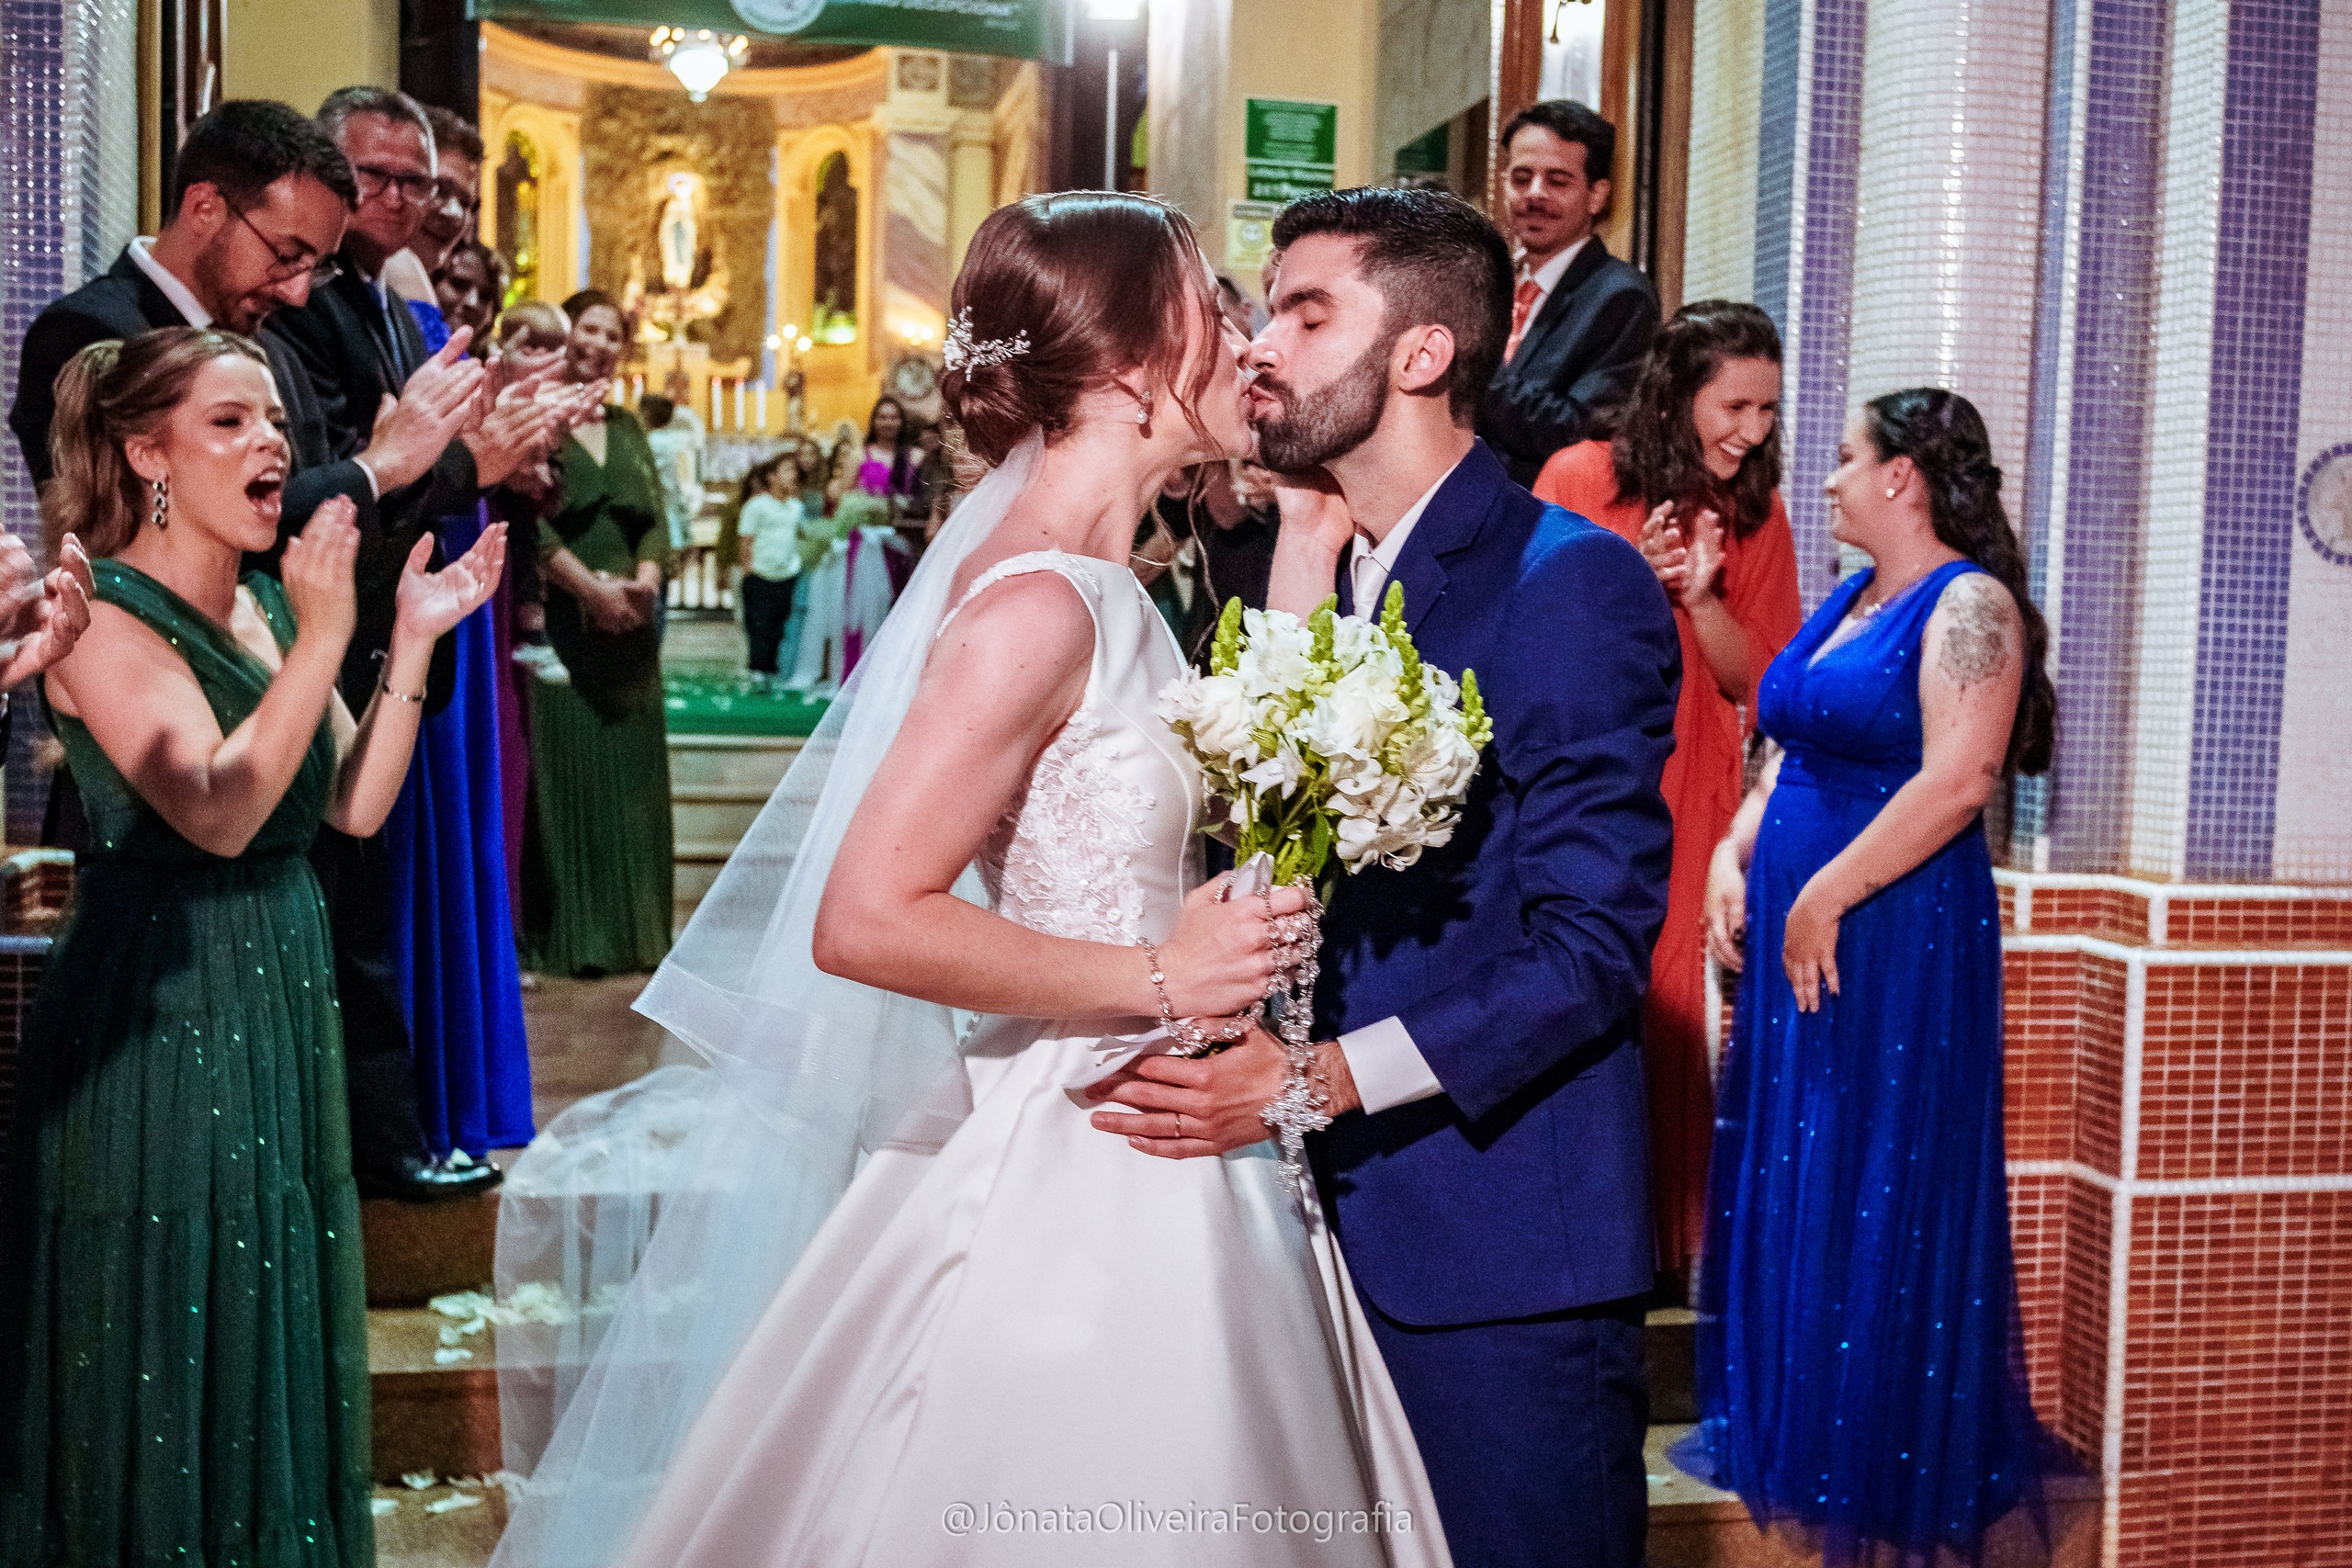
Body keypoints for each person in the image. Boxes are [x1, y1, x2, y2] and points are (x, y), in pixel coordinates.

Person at [488, 191, 1438, 1568]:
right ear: (1123, 366)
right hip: (1079, 1152)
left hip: (1159, 1117)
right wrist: (1160, 973)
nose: (1240, 336)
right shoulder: (1039, 602)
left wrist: (1298, 565)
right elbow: (865, 913)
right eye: (1209, 305)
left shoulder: (1123, 583)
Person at [1087, 186, 1680, 1568]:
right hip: (1296, 1220)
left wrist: (1317, 1077)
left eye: (1306, 311)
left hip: (1493, 1247)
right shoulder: (1315, 581)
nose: (1258, 347)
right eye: (1261, 309)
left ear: (1421, 353)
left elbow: (1591, 946)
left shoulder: (1565, 580)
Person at [0, 327, 501, 1565]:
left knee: (262, 1293)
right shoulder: (102, 617)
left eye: (273, 418)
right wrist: (329, 637)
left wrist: (416, 638)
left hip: (275, 990)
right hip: (158, 1015)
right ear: (146, 454)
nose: (271, 440)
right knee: (165, 1322)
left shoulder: (275, 602)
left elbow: (351, 804)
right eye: (229, 421)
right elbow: (219, 810)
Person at [1688, 388, 2059, 1566]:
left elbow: (1960, 778)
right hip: (1804, 917)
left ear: (1902, 477)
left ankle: (1880, 1452)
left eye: (1847, 459)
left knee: (1877, 1160)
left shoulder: (1970, 605)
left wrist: (1828, 890)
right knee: (1800, 1154)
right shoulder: (1854, 599)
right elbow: (1784, 742)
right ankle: (1796, 1427)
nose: (1829, 479)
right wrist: (1729, 855)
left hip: (1892, 933)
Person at [270, 85, 552, 1201]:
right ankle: (379, 1148)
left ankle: (394, 1134)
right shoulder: (306, 308)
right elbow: (355, 468)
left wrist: (482, 454)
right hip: (332, 612)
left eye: (418, 181)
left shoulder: (383, 296)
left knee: (378, 889)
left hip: (402, 607)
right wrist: (458, 467)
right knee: (355, 895)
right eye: (373, 176)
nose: (401, 200)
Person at [1532, 300, 1801, 1283]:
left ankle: (1663, 1262)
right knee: (1579, 986)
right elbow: (1532, 636)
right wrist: (1623, 579)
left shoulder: (1755, 516)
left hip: (1696, 787)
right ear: (1680, 393)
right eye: (1735, 406)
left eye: (1768, 411)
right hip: (1584, 774)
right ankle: (1573, 1233)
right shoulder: (1577, 478)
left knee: (1671, 1003)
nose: (1752, 432)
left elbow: (1762, 685)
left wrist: (1699, 597)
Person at [522, 289, 673, 977]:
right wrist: (590, 590)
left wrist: (642, 583)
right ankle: (580, 940)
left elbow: (656, 519)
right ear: (566, 335)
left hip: (633, 631)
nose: (600, 342)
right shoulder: (537, 420)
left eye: (613, 333)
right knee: (575, 776)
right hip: (564, 620)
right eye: (589, 327)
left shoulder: (629, 425)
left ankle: (639, 935)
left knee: (632, 785)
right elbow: (528, 522)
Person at [1476, 100, 1660, 486]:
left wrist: (1471, 365)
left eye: (1558, 181)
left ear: (1597, 194)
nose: (1535, 194)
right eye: (1521, 178)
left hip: (1540, 521)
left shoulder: (1622, 298)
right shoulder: (1489, 283)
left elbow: (1577, 430)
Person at [734, 454, 808, 679]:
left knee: (779, 624)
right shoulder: (757, 505)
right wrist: (748, 570)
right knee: (759, 624)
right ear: (772, 476)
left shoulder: (796, 507)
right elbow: (746, 539)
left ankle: (772, 670)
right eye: (786, 470)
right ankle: (757, 670)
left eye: (794, 471)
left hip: (786, 573)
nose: (792, 475)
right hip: (760, 572)